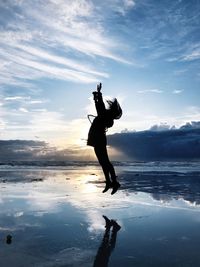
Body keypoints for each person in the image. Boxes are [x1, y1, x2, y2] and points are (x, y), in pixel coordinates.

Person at [87, 83, 122, 194]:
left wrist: (98, 95)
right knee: (103, 162)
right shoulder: (106, 117)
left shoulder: (105, 116)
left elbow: (100, 107)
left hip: (99, 139)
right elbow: (99, 107)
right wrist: (96, 97)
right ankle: (109, 182)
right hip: (98, 139)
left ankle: (113, 182)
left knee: (105, 161)